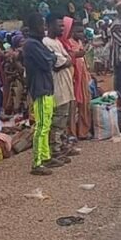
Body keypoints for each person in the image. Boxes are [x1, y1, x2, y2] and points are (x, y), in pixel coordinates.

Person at [22, 13, 63, 176]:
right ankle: (37, 163)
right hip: (39, 89)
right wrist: (52, 58)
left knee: (46, 124)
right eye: (41, 25)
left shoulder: (37, 43)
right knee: (41, 126)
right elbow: (48, 62)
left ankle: (45, 157)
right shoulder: (31, 44)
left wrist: (51, 58)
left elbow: (51, 58)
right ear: (34, 26)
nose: (44, 28)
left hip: (46, 87)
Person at [43, 15, 76, 153]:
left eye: (63, 25)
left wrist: (67, 60)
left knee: (64, 118)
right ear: (50, 26)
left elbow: (67, 59)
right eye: (60, 26)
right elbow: (59, 63)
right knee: (58, 120)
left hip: (65, 85)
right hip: (57, 86)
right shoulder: (47, 42)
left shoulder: (57, 41)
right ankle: (55, 149)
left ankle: (63, 145)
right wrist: (68, 60)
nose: (63, 28)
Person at [61, 18, 93, 140]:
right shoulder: (67, 43)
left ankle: (83, 131)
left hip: (83, 77)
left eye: (82, 31)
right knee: (73, 106)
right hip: (73, 77)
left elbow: (83, 60)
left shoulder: (78, 42)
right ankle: (72, 133)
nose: (81, 34)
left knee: (85, 103)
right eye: (78, 31)